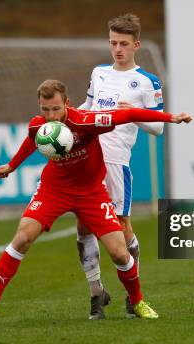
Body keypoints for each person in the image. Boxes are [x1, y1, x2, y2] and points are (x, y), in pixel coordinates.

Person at [0, 80, 192, 328]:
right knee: (22, 238)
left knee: (119, 252)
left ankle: (137, 301)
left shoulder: (86, 121)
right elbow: (32, 140)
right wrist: (12, 165)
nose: (50, 116)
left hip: (91, 192)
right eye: (45, 109)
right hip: (55, 189)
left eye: (55, 109)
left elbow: (127, 114)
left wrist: (171, 117)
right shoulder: (39, 126)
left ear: (67, 104)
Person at [76, 13, 165, 319]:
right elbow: (87, 108)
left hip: (115, 162)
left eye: (124, 44)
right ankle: (96, 293)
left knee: (121, 226)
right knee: (84, 225)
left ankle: (133, 295)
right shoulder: (99, 72)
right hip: (88, 159)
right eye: (113, 42)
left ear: (136, 44)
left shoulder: (147, 82)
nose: (117, 49)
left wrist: (134, 111)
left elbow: (158, 129)